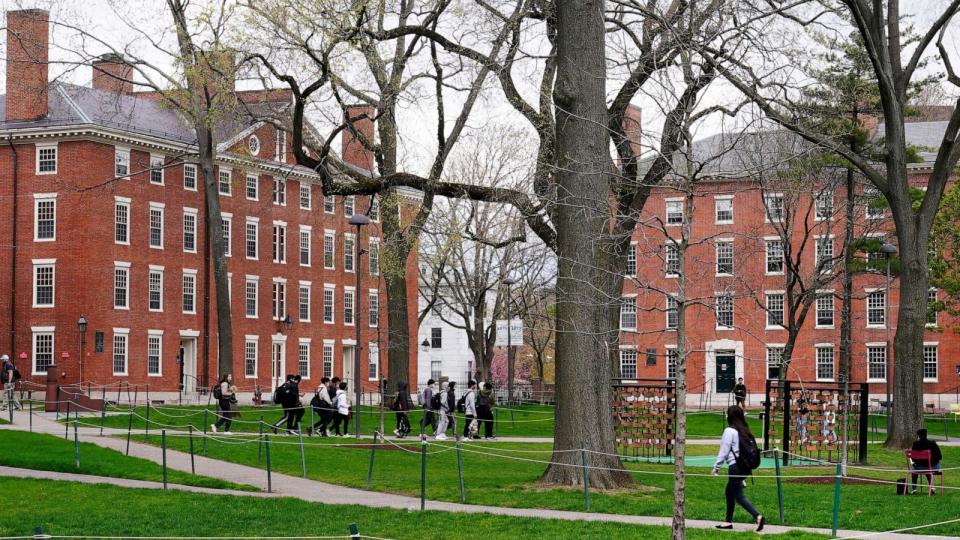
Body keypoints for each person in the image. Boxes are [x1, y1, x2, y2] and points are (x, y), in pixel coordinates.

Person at [712, 405, 764, 531]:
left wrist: (716, 468)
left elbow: (724, 451)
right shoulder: (745, 430)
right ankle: (727, 521)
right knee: (729, 493)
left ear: (730, 416)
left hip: (735, 467)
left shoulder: (729, 431)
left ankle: (757, 516)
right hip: (746, 468)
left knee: (739, 496)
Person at [910, 429, 943, 494]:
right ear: (926, 435)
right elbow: (940, 456)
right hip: (933, 467)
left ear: (918, 436)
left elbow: (913, 458)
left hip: (920, 468)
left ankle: (914, 489)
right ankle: (932, 488)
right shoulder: (933, 443)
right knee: (928, 468)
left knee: (914, 469)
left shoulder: (915, 444)